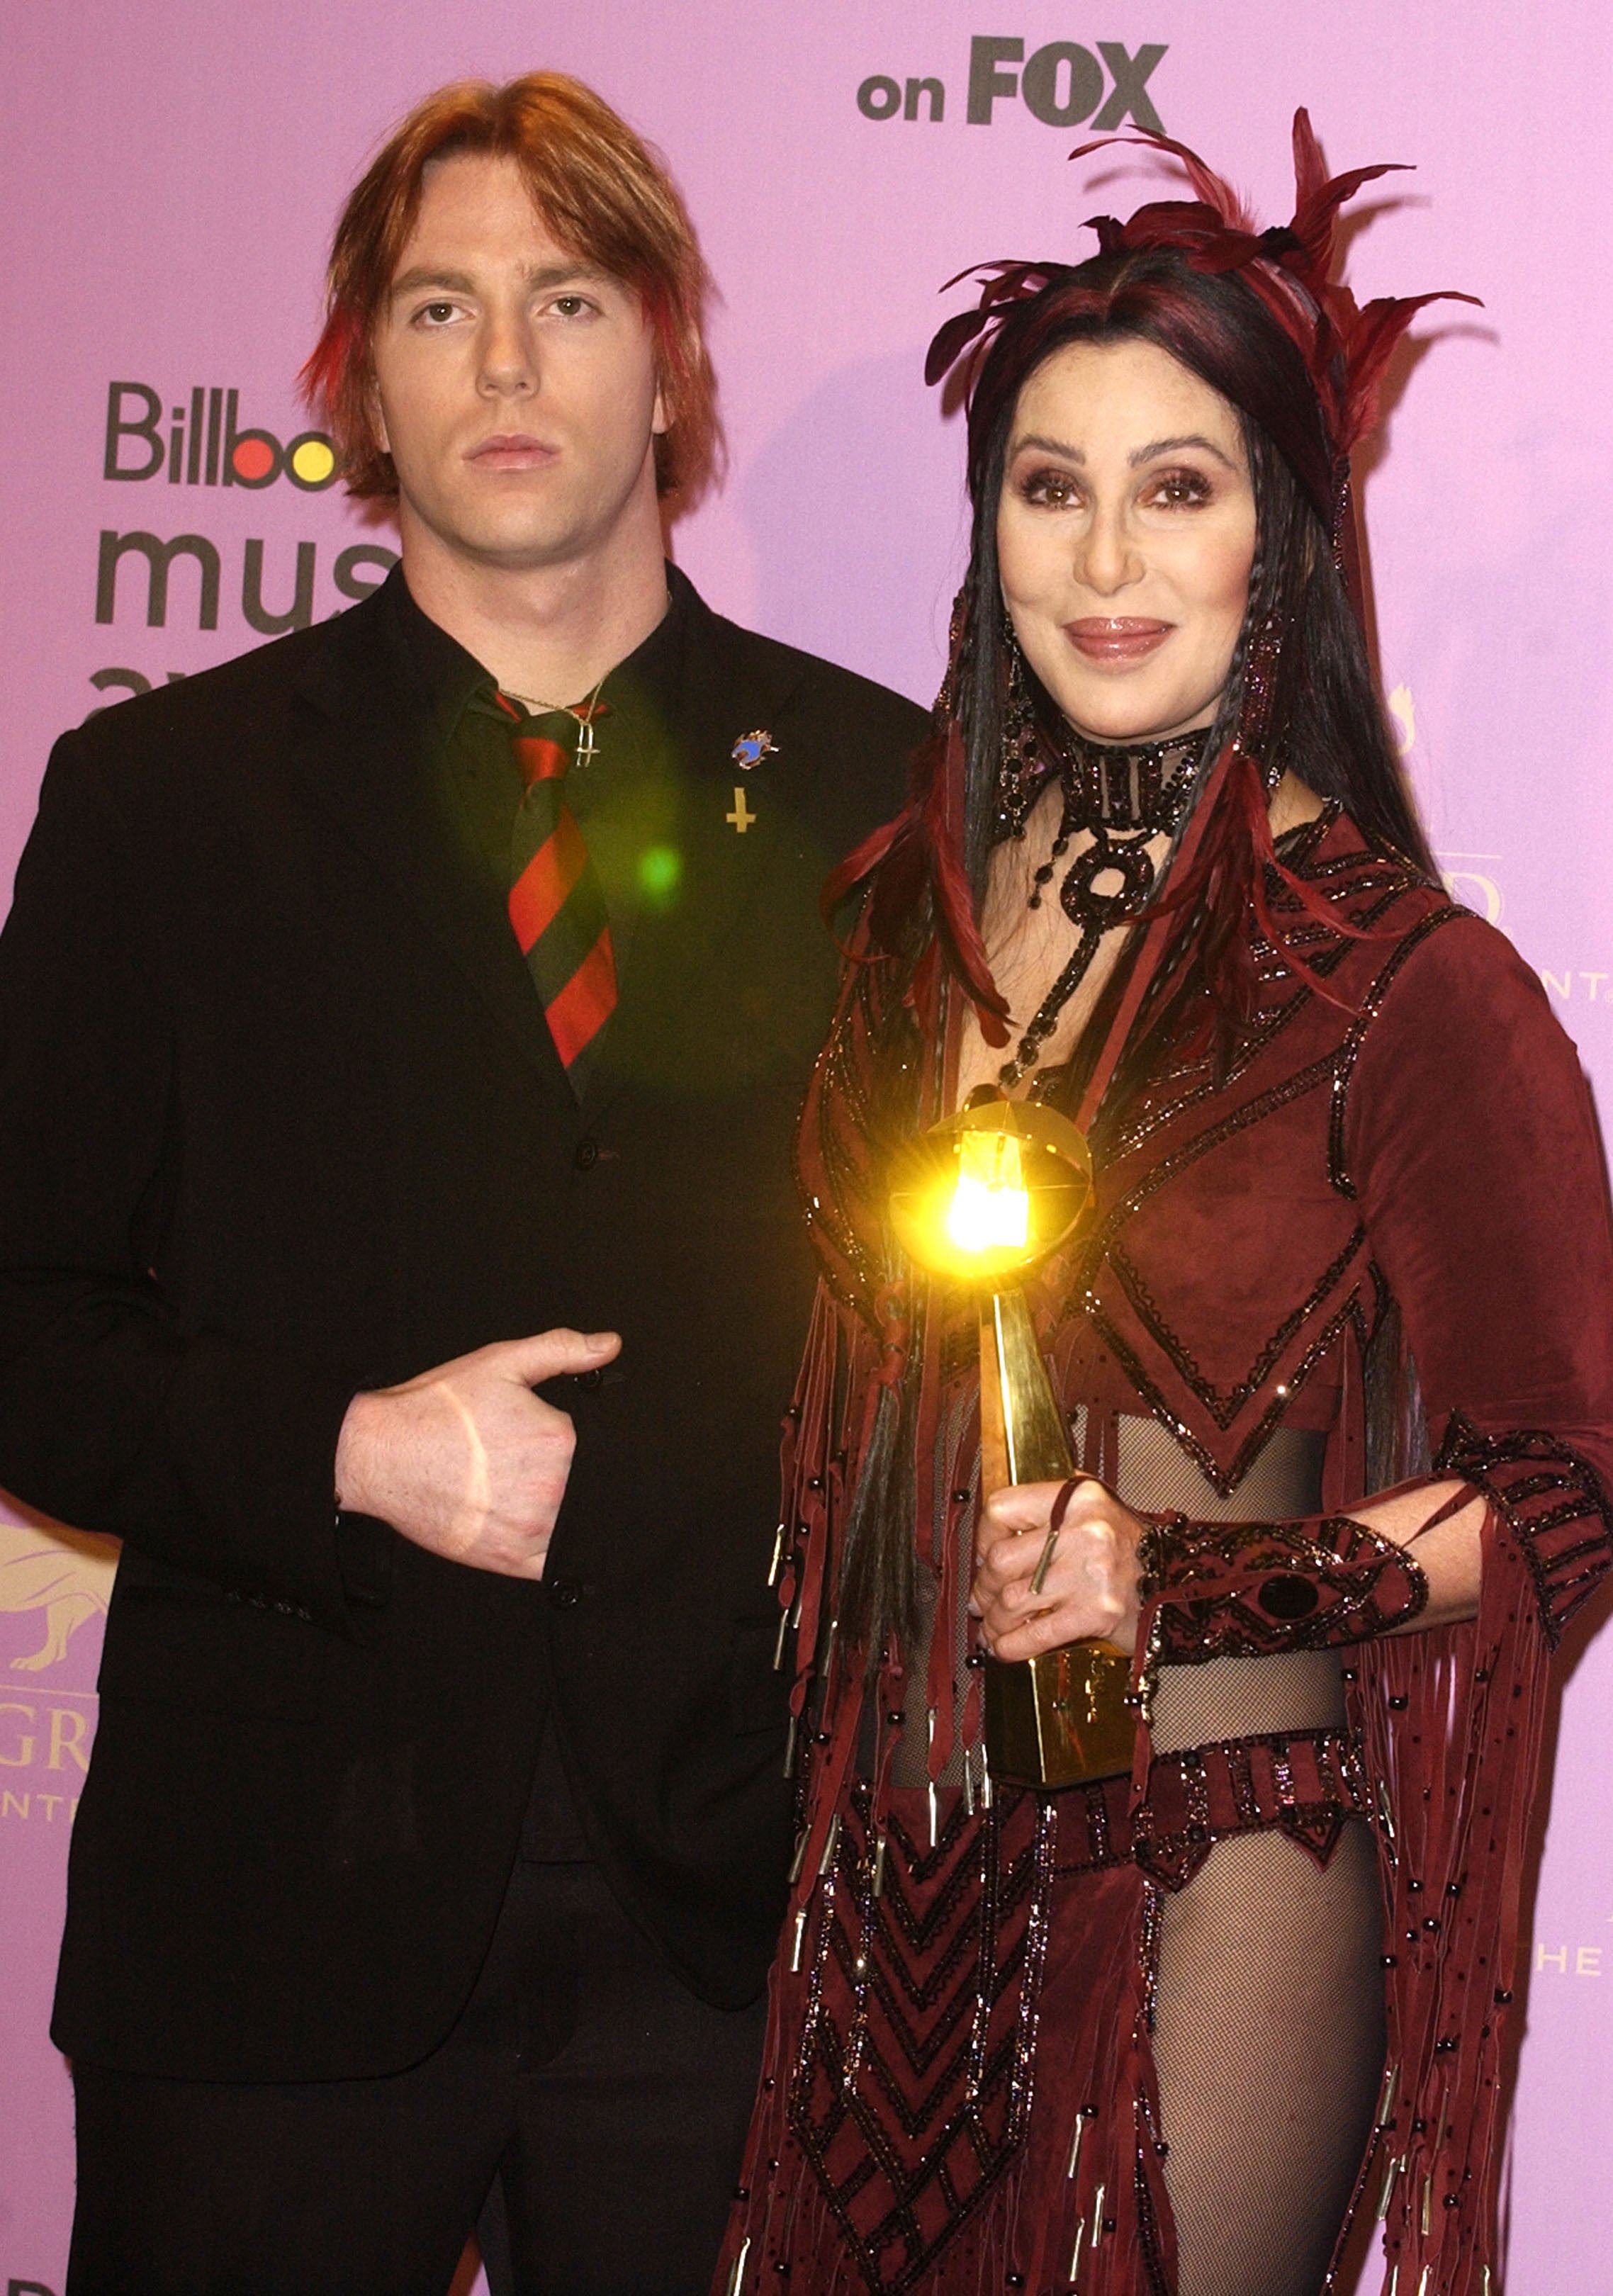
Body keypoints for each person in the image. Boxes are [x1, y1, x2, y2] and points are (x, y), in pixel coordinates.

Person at [0, 72, 926, 2296]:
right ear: (363, 394)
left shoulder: (887, 798)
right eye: (438, 307)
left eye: (568, 298)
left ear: (667, 363)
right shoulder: (160, 798)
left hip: (735, 1929)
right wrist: (349, 1449)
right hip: (268, 1936)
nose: (504, 363)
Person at [716, 114, 1613, 2296]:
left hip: (1215, 1893)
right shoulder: (900, 935)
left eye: (1177, 484)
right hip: (882, 1889)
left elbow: (1571, 1488)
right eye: (1049, 484)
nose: (1105, 552)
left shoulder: (1410, 980)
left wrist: (1181, 1586)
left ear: (1275, 542)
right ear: (987, 535)